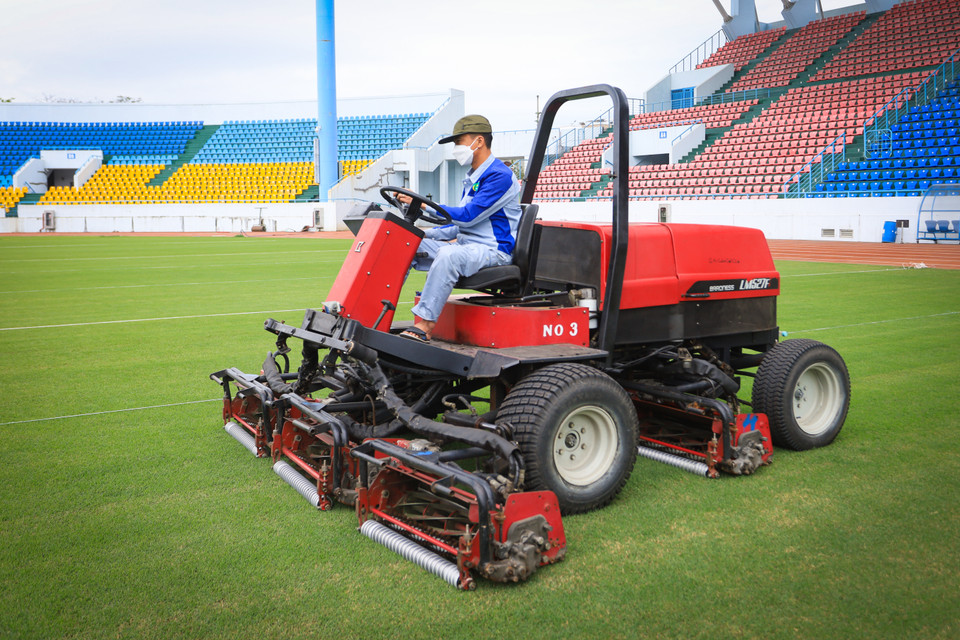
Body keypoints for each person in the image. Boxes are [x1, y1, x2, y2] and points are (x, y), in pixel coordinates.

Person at [397, 114, 522, 342]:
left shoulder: (499, 176)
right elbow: (459, 228)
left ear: (479, 142)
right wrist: (421, 234)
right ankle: (377, 308)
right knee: (403, 242)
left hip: (494, 250)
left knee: (448, 254)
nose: (456, 148)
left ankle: (424, 325)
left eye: (459, 142)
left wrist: (424, 204)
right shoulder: (475, 176)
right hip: (469, 246)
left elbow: (466, 218)